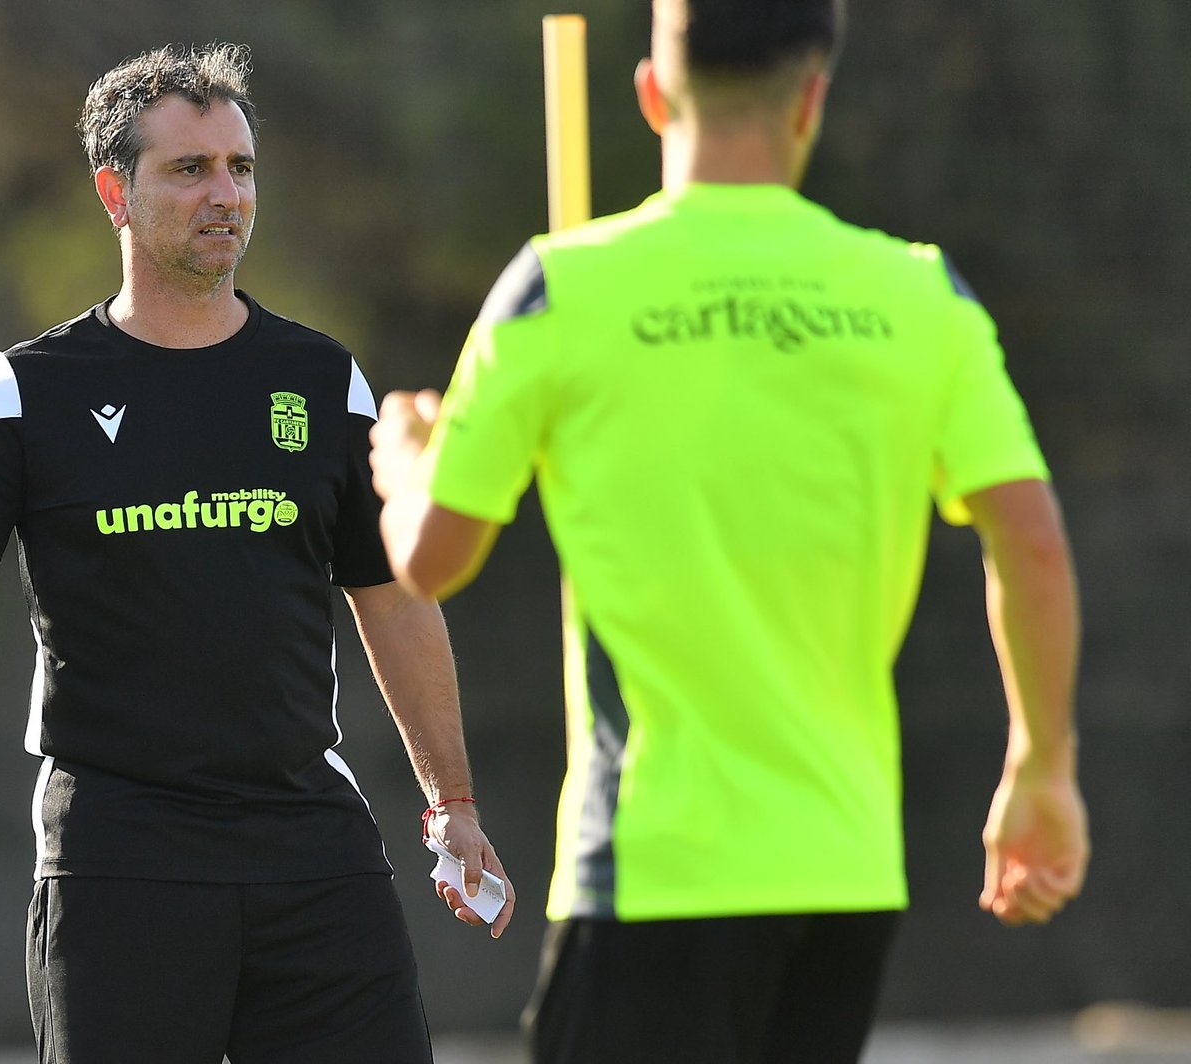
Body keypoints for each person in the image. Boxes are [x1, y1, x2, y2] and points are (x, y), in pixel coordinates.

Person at [369, 1, 1089, 1061]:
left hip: (651, 869)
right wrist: (1041, 762)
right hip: (841, 877)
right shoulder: (921, 294)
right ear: (812, 99)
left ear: (654, 96)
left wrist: (405, 465)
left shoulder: (558, 287)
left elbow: (431, 557)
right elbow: (1028, 543)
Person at [0, 42, 511, 1064]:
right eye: (190, 169)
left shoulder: (320, 377)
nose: (226, 195)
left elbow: (391, 597)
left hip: (310, 847)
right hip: (119, 853)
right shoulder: (25, 392)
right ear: (114, 190)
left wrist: (453, 803)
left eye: (240, 168)